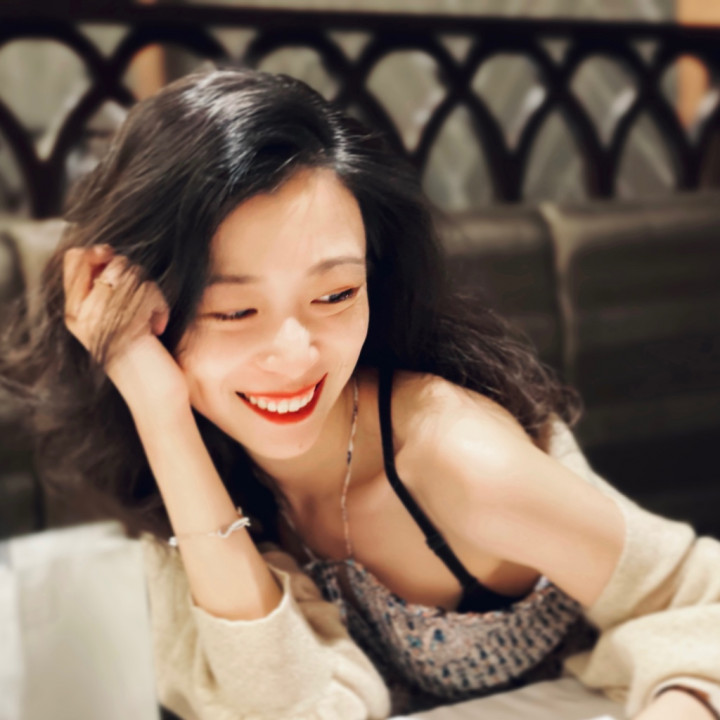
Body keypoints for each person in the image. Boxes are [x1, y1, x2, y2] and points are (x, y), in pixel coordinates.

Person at [2, 68, 719, 720]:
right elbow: (286, 708)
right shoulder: (189, 440)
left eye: (337, 294)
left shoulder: (459, 460)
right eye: (234, 310)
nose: (297, 355)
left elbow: (699, 598)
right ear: (143, 311)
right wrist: (159, 414)